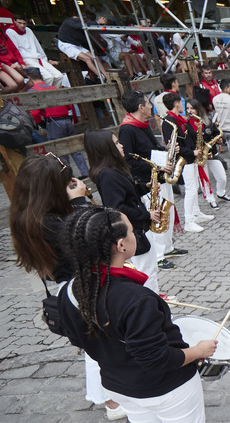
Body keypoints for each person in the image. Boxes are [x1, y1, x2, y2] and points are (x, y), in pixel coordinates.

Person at [57, 205, 230, 423]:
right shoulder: (135, 299)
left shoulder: (70, 290)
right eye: (132, 231)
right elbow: (159, 357)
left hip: (119, 384)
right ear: (121, 246)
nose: (136, 234)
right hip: (166, 386)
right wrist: (199, 351)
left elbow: (83, 339)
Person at [8, 153, 125, 419]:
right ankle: (113, 402)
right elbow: (93, 238)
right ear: (50, 188)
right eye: (64, 181)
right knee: (101, 343)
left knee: (96, 342)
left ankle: (111, 399)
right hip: (79, 286)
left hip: (70, 284)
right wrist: (82, 202)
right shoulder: (48, 222)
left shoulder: (28, 214)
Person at [85, 129, 161, 292]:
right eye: (117, 143)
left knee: (149, 270)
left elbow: (128, 192)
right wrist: (147, 214)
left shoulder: (115, 170)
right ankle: (151, 303)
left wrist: (145, 187)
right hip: (133, 229)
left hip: (138, 228)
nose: (122, 146)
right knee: (146, 273)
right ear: (105, 149)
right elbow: (117, 208)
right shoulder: (108, 175)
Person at [117, 90, 183, 271]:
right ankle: (159, 255)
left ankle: (167, 248)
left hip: (160, 175)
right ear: (140, 107)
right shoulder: (127, 129)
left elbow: (150, 150)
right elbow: (130, 161)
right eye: (148, 103)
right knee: (156, 217)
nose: (150, 106)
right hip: (147, 180)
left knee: (166, 213)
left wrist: (166, 149)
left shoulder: (142, 124)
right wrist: (158, 166)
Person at [161, 93, 212, 232]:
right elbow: (174, 146)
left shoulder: (179, 119)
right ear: (177, 104)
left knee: (194, 187)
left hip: (191, 158)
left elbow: (187, 137)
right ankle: (189, 221)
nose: (183, 106)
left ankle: (196, 213)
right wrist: (192, 152)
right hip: (184, 160)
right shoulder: (169, 121)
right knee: (190, 189)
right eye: (181, 103)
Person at [186, 98, 230, 208]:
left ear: (198, 110)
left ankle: (221, 193)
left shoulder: (207, 121)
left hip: (211, 153)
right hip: (199, 156)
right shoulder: (186, 124)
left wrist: (219, 140)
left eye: (192, 108)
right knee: (205, 179)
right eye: (187, 108)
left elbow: (216, 133)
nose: (189, 111)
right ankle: (210, 199)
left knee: (222, 177)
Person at [7, 15, 67, 88]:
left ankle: (52, 92)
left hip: (37, 57)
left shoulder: (28, 30)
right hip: (26, 59)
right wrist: (19, 62)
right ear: (14, 21)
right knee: (48, 77)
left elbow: (37, 45)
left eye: (24, 23)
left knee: (59, 76)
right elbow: (14, 49)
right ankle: (45, 94)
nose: (22, 25)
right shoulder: (10, 31)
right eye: (20, 23)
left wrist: (44, 59)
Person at [56, 14, 108, 80]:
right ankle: (101, 77)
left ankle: (106, 76)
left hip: (76, 44)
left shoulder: (82, 27)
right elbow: (79, 26)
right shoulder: (69, 22)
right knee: (87, 59)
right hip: (66, 45)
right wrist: (97, 22)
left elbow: (86, 37)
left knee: (96, 58)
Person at [212, 79, 230, 178]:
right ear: (226, 88)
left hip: (221, 128)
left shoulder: (215, 99)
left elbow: (214, 112)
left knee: (229, 148)